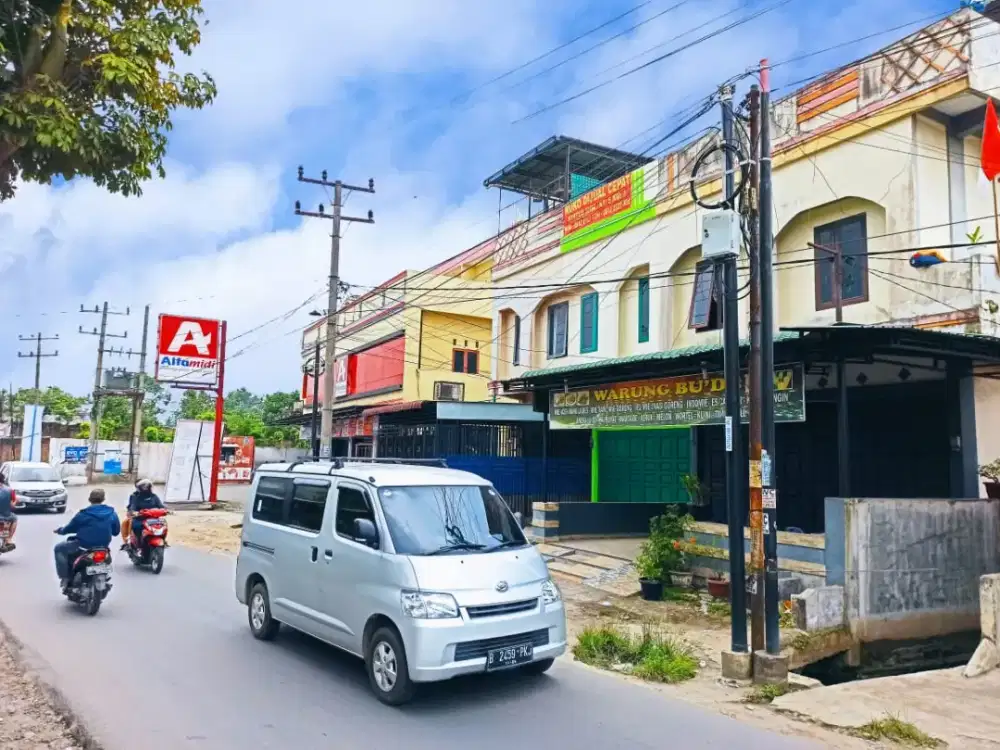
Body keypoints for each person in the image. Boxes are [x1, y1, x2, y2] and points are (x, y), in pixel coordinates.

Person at [54, 488, 120, 590]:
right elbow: (116, 532)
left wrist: (60, 530)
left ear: (90, 499)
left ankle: (65, 577)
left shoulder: (83, 514)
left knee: (59, 548)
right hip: (103, 547)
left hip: (84, 546)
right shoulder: (112, 514)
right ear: (103, 499)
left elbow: (70, 528)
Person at [123, 478, 164, 550]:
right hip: (140, 519)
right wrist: (133, 512)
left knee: (163, 526)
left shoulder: (154, 496)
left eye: (147, 486)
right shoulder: (135, 497)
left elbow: (161, 506)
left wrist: (167, 510)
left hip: (153, 519)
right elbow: (132, 507)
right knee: (136, 527)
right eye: (144, 487)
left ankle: (163, 540)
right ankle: (138, 545)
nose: (146, 488)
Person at [0, 473, 16, 553]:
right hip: (6, 516)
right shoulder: (10, 490)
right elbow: (12, 506)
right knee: (14, 518)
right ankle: (8, 539)